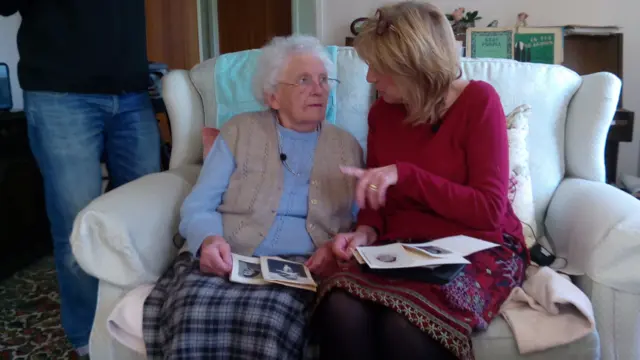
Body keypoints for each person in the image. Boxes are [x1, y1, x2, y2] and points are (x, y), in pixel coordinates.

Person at [313, 2, 530, 360]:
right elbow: (376, 197)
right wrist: (365, 231)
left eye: (379, 69)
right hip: (402, 247)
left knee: (403, 326)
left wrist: (406, 175)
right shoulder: (382, 113)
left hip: (477, 246)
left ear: (415, 68)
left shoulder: (479, 102)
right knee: (340, 308)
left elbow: (489, 212)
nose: (369, 79)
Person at [142, 35, 362, 360]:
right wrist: (208, 240)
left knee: (271, 321)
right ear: (273, 96)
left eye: (324, 80)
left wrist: (336, 248)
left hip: (300, 266)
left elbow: (357, 221)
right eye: (304, 80)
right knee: (191, 308)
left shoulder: (347, 145)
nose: (319, 89)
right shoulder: (239, 130)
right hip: (231, 253)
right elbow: (201, 202)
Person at [0, 1, 161, 356]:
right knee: (77, 223)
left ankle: (144, 321)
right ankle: (89, 339)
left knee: (151, 219)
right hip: (59, 95)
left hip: (132, 92)